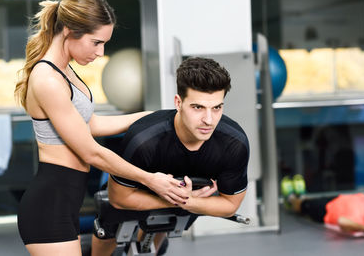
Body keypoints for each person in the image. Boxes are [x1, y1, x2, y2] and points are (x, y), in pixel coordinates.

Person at [14, 0, 188, 256]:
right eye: (96, 42)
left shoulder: (66, 71)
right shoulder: (47, 78)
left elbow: (91, 124)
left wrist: (152, 115)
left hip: (66, 200)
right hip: (49, 205)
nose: (100, 52)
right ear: (70, 31)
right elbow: (90, 151)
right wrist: (151, 180)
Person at [91, 57, 250, 256]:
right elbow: (118, 198)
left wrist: (186, 202)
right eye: (197, 107)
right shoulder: (145, 140)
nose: (209, 120)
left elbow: (230, 205)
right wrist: (179, 199)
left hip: (186, 203)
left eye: (216, 107)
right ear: (178, 102)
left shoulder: (233, 143)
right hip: (135, 195)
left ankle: (154, 244)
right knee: (110, 225)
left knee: (162, 229)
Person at [282, 175, 364, 234]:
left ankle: (290, 198)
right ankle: (301, 196)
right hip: (339, 199)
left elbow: (342, 221)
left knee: (302, 205)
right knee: (310, 200)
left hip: (327, 210)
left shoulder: (360, 219)